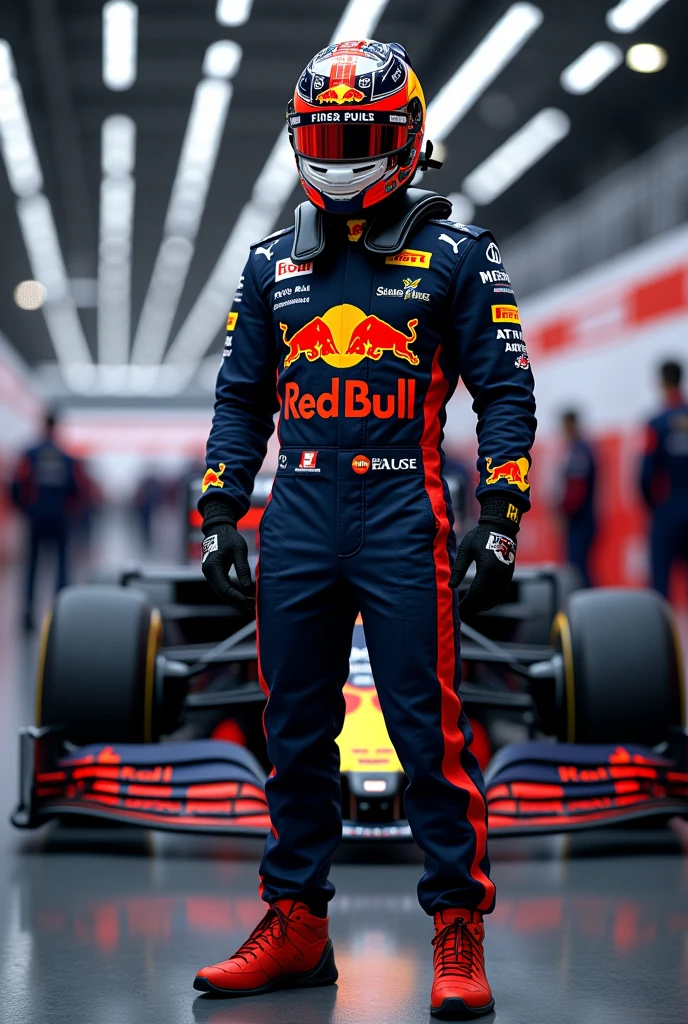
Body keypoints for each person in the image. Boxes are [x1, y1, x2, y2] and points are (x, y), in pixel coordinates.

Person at [194, 40, 536, 1020]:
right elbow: (238, 397)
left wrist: (500, 514)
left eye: (359, 135)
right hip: (295, 512)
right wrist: (218, 507)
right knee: (293, 732)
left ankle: (456, 925)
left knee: (427, 732)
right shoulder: (270, 266)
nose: (339, 152)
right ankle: (295, 922)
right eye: (324, 134)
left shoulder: (460, 256)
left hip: (400, 512)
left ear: (407, 139)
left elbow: (504, 392)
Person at [11, 410, 80, 631]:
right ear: (56, 426)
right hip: (59, 518)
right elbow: (75, 489)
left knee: (32, 566)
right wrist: (67, 510)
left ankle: (28, 615)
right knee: (61, 565)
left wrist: (26, 509)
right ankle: (62, 612)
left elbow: (16, 485)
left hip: (36, 517)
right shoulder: (66, 457)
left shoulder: (30, 454)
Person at [640, 360, 688, 597]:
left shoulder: (656, 423)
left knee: (660, 586)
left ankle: (662, 634)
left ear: (662, 381)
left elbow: (646, 474)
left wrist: (654, 506)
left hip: (666, 512)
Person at [558, 410, 596, 587]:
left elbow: (576, 491)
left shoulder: (580, 451)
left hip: (580, 519)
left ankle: (591, 607)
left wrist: (564, 511)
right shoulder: (576, 449)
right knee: (578, 567)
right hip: (581, 518)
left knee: (578, 569)